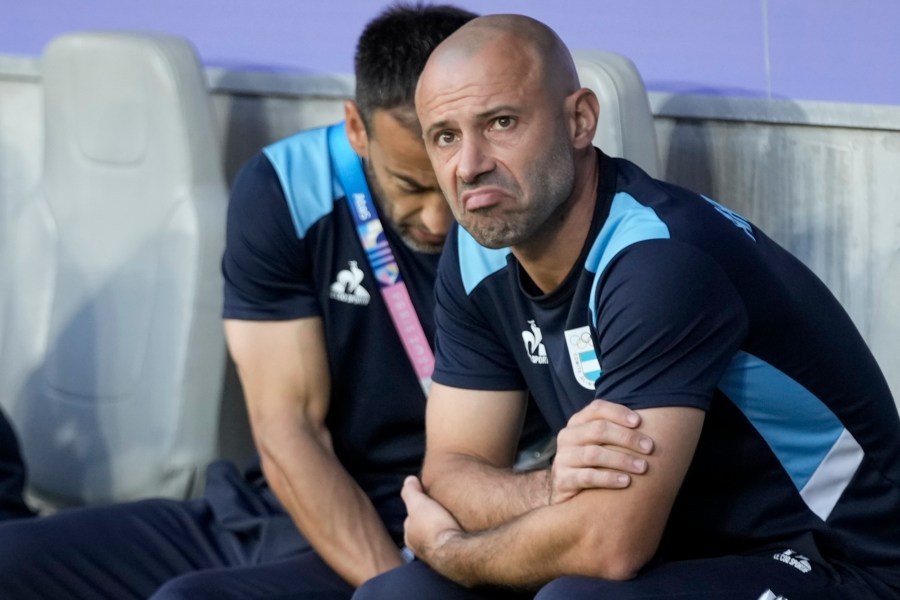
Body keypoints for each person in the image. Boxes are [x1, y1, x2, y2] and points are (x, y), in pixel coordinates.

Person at [0, 6, 653, 599]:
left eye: (455, 164)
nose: (440, 212)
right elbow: (288, 430)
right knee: (14, 558)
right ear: (355, 130)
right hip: (293, 505)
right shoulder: (287, 186)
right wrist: (390, 587)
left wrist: (409, 587)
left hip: (449, 522)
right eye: (408, 184)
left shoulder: (514, 214)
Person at [353, 13, 900, 600]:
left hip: (831, 559)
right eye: (445, 136)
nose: (470, 164)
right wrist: (551, 487)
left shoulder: (659, 260)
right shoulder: (479, 245)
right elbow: (452, 470)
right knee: (399, 595)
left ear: (580, 120)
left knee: (576, 597)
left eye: (501, 122)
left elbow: (609, 545)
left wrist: (451, 550)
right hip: (671, 547)